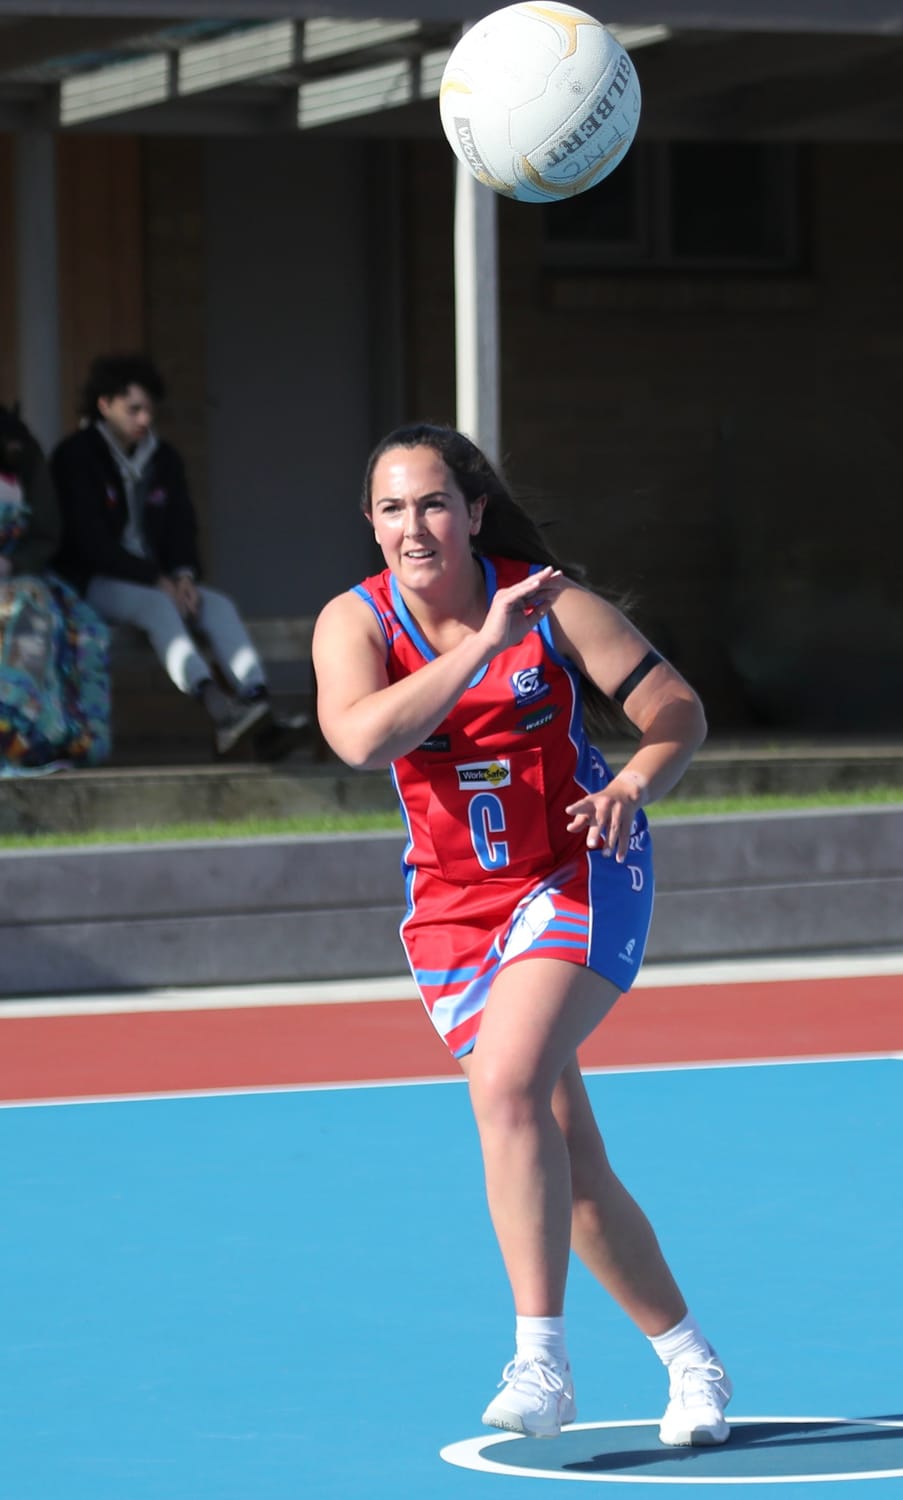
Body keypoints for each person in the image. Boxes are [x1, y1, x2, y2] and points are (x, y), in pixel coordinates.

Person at [312, 422, 732, 1444]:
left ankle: (540, 1360)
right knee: (568, 1162)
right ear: (371, 526)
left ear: (473, 512)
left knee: (504, 1087)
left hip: (579, 867)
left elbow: (677, 710)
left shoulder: (551, 604)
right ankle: (693, 1363)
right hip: (456, 906)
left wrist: (634, 780)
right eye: (393, 508)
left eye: (434, 504)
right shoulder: (353, 624)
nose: (415, 526)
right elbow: (361, 737)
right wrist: (480, 650)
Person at [49, 354, 308, 761]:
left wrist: (184, 575)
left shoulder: (163, 457)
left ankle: (258, 705)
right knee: (157, 605)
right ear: (105, 405)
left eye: (149, 408)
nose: (144, 418)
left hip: (160, 581)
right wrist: (158, 580)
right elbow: (90, 544)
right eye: (133, 408)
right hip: (95, 583)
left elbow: (181, 528)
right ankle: (219, 709)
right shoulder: (76, 456)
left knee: (217, 605)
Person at [0, 403, 110, 773]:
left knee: (63, 622)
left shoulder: (18, 444)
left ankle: (24, 731)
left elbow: (46, 530)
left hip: (17, 572)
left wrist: (13, 563)